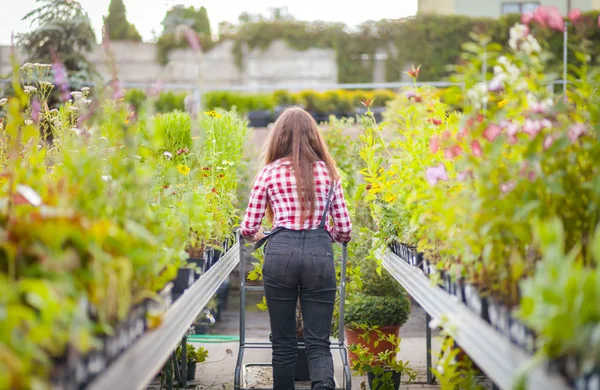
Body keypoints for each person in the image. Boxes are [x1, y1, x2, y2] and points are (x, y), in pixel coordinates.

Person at [241, 107, 352, 390]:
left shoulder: (269, 172)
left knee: (283, 342)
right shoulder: (329, 173)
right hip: (319, 252)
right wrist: (331, 235)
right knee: (318, 341)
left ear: (279, 136)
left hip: (280, 253)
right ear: (314, 136)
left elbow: (248, 227)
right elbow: (344, 229)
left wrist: (261, 233)